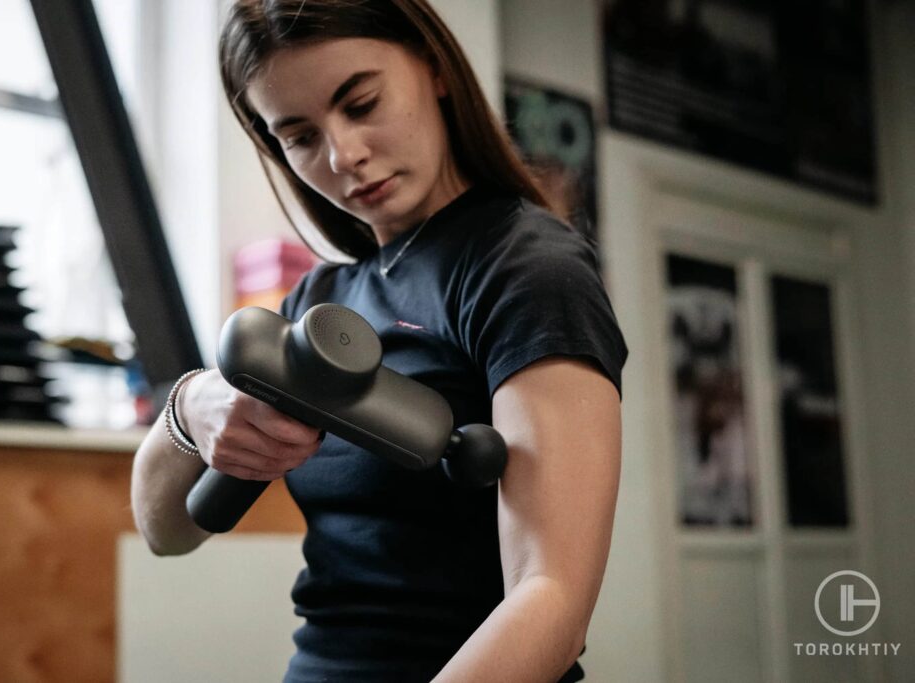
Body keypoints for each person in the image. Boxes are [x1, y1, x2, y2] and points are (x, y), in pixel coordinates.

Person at [131, 1, 629, 681]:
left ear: (433, 67)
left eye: (361, 103)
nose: (344, 156)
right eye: (299, 136)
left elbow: (553, 603)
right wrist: (192, 408)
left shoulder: (526, 268)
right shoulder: (318, 302)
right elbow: (167, 531)